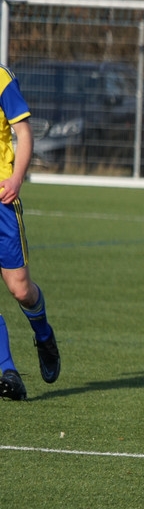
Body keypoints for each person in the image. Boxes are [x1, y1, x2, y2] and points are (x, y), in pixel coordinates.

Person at [0, 63, 61, 401]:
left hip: (2, 200)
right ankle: (8, 371)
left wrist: (16, 178)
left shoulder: (1, 78)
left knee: (21, 289)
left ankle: (44, 336)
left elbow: (23, 133)